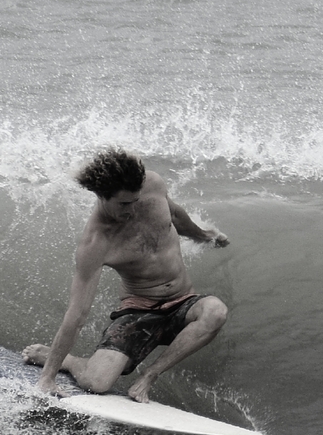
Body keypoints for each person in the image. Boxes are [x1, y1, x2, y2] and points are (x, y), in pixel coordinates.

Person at [22, 148, 231, 403]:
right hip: (139, 310)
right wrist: (47, 377)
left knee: (215, 311)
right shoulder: (96, 242)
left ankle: (149, 376)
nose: (132, 210)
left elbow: (175, 216)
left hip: (183, 302)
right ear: (102, 196)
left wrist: (205, 236)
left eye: (135, 200)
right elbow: (77, 315)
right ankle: (70, 361)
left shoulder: (152, 185)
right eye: (123, 204)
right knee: (96, 383)